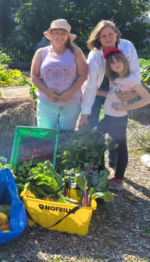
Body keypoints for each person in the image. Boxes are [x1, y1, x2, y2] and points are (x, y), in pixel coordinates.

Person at [96, 47, 150, 191]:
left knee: (121, 149)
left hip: (119, 120)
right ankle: (100, 170)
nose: (115, 64)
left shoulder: (131, 79)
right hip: (108, 117)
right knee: (95, 136)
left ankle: (118, 180)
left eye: (118, 60)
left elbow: (147, 98)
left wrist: (126, 108)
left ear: (124, 61)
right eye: (112, 62)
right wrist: (98, 92)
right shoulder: (113, 78)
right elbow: (112, 94)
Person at [79, 20, 140, 130]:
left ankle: (114, 143)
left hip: (119, 89)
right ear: (99, 39)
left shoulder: (128, 46)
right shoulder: (95, 55)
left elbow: (135, 72)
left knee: (116, 124)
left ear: (117, 33)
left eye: (110, 34)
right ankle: (92, 141)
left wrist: (134, 92)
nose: (108, 38)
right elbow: (92, 86)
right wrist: (84, 115)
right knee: (90, 124)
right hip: (97, 89)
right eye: (103, 36)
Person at [31, 19, 88, 130]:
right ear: (50, 35)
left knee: (65, 137)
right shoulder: (41, 52)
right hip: (46, 102)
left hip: (71, 102)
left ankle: (62, 148)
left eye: (63, 33)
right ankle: (48, 148)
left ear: (67, 36)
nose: (59, 36)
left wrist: (69, 93)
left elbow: (83, 75)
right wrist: (47, 92)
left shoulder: (76, 52)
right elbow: (34, 76)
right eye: (56, 32)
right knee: (46, 135)